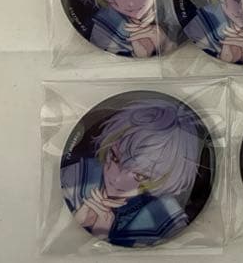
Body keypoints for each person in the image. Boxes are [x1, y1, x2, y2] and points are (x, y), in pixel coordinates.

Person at [61, 97, 204, 246]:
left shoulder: (167, 219)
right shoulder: (76, 176)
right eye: (115, 158)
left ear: (168, 177)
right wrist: (76, 225)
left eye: (140, 175)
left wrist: (101, 236)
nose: (116, 179)